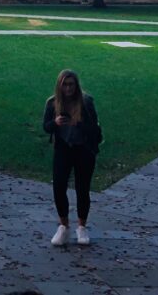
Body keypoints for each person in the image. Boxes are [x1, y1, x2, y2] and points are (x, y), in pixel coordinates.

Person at [43, 69, 103, 247]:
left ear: (76, 85)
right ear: (59, 86)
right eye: (65, 85)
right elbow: (46, 126)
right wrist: (55, 123)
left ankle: (82, 226)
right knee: (59, 186)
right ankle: (63, 225)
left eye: (71, 85)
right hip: (63, 148)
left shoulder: (86, 102)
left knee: (82, 188)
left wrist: (79, 123)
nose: (68, 89)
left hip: (83, 149)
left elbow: (95, 129)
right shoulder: (53, 103)